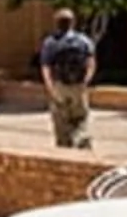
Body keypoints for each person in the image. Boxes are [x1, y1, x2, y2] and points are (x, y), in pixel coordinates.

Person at [36, 9, 95, 150]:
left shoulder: (50, 42)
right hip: (78, 85)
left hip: (59, 85)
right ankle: (81, 140)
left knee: (60, 118)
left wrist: (50, 87)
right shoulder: (83, 40)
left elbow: (46, 67)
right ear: (73, 22)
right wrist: (85, 81)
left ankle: (64, 145)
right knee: (81, 117)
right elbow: (91, 63)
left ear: (56, 23)